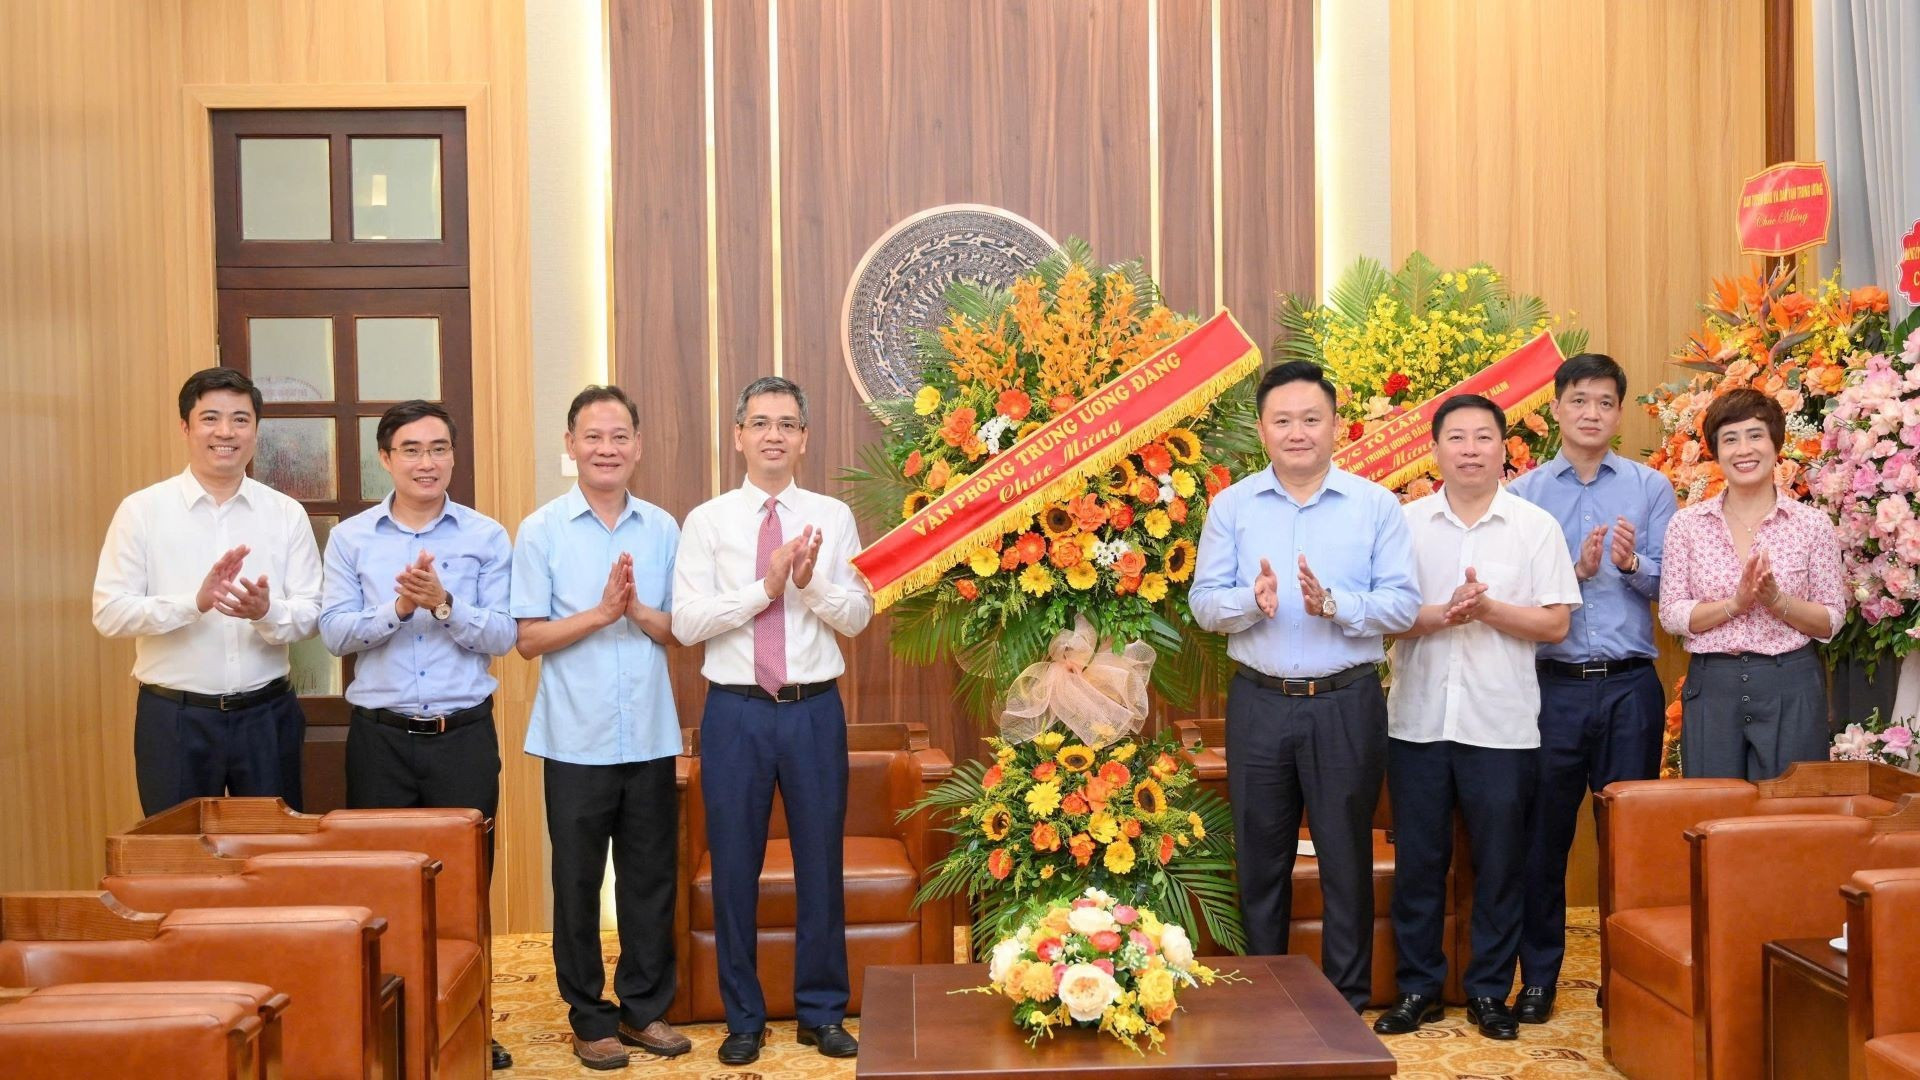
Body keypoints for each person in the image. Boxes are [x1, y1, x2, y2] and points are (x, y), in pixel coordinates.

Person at [1190, 360, 1420, 1010]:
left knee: (1345, 859)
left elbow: (1402, 606)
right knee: (1259, 860)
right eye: (1283, 420)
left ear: (1337, 427)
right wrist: (1249, 601)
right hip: (1259, 703)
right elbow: (1205, 604)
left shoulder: (1375, 505)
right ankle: (1263, 997)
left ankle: (1345, 1003)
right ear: (1261, 430)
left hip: (1346, 702)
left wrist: (1336, 605)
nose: (1298, 432)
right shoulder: (1231, 505)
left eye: (1311, 419)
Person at [672, 375, 872, 1066]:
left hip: (813, 709)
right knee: (734, 868)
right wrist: (767, 586)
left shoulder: (832, 516)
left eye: (787, 423)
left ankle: (821, 1012)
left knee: (821, 863)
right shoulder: (708, 521)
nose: (774, 435)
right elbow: (688, 620)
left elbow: (857, 615)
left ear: (804, 438)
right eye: (760, 423)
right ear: (738, 436)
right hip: (735, 711)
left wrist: (811, 580)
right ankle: (744, 1018)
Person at [1373, 394, 1581, 1041]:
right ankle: (1418, 989)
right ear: (1434, 450)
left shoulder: (1534, 527)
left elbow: (1555, 622)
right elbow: (1381, 620)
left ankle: (1491, 990)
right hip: (1417, 723)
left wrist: (1487, 611)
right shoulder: (1403, 525)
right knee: (1420, 866)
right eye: (1456, 437)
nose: (1469, 449)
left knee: (1500, 865)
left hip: (1503, 725)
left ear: (1503, 449)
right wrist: (1443, 612)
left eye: (1482, 437)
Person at [318, 399, 517, 1071]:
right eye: (411, 449)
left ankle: (472, 1022)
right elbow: (334, 632)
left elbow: (505, 635)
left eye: (438, 448)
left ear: (454, 457)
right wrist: (399, 607)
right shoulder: (351, 539)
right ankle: (390, 1027)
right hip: (380, 738)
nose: (426, 461)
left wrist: (444, 602)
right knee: (380, 889)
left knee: (466, 888)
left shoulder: (486, 536)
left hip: (461, 735)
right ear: (385, 459)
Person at [510, 385, 689, 1071]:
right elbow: (528, 639)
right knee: (579, 883)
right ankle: (590, 1017)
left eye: (619, 437)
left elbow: (678, 631)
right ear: (570, 444)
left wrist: (637, 610)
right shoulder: (542, 529)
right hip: (574, 738)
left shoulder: (664, 528)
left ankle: (644, 1008)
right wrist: (600, 612)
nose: (606, 448)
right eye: (593, 436)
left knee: (650, 879)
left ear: (637, 447)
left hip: (648, 731)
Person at [1505, 354, 1676, 1024]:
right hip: (1550, 688)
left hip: (1631, 687)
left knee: (1628, 843)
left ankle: (1626, 976)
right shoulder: (1523, 494)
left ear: (1619, 412)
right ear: (1555, 407)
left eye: (1605, 402)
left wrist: (1632, 564)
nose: (1591, 413)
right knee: (1542, 840)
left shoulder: (1649, 487)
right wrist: (1570, 574)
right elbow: (1513, 594)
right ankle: (1539, 979)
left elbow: (1672, 585)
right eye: (1579, 400)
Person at [93, 367, 322, 815]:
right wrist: (193, 604)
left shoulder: (285, 513)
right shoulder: (142, 511)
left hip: (266, 714)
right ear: (186, 427)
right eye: (210, 418)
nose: (226, 432)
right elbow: (109, 613)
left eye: (240, 419)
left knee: (273, 857)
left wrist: (265, 611)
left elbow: (312, 613)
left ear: (256, 429)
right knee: (177, 858)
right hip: (174, 719)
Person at [1658, 387, 1845, 780]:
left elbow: (1831, 620)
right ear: (1715, 451)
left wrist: (1778, 602)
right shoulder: (1687, 525)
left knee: (1791, 816)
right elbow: (1672, 614)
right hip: (1713, 686)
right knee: (1713, 814)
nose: (1744, 449)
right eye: (1730, 439)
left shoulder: (1812, 525)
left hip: (1790, 684)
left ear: (1776, 444)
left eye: (1755, 435)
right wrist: (1735, 604)